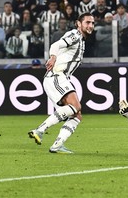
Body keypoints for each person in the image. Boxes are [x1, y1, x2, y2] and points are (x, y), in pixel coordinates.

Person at [28, 13, 95, 154]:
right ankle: (39, 130)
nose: (90, 26)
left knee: (77, 115)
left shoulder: (81, 40)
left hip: (60, 77)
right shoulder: (75, 35)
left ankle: (58, 144)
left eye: (92, 23)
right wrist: (53, 57)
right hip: (57, 75)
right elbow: (56, 45)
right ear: (78, 23)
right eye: (87, 22)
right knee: (76, 106)